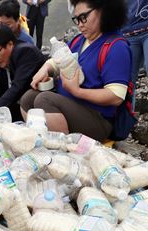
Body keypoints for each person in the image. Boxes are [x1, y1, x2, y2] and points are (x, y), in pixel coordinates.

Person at [21, 0, 131, 141]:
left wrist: (76, 91)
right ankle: (40, 141)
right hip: (72, 105)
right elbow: (59, 60)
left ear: (103, 11)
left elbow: (116, 96)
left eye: (83, 17)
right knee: (28, 98)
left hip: (98, 118)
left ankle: (64, 151)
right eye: (77, 19)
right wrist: (46, 68)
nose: (80, 24)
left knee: (45, 100)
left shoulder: (116, 47)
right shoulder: (79, 40)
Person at [0, 26, 46, 121]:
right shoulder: (4, 59)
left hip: (37, 105)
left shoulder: (25, 52)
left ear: (10, 44)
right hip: (20, 103)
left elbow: (18, 87)